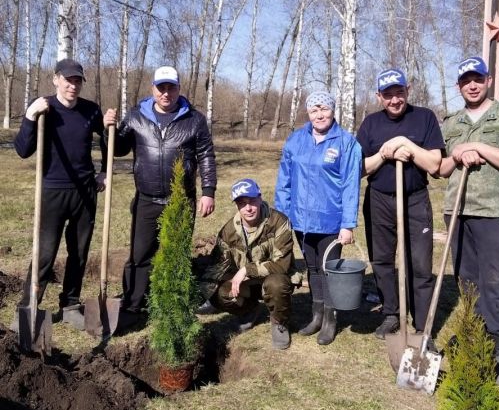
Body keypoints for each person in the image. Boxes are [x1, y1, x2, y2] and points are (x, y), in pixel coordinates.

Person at [436, 56, 499, 386]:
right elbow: (440, 170)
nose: (472, 85)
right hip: (458, 210)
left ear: (487, 80)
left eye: (477, 78)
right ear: (458, 86)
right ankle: (473, 334)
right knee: (466, 279)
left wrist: (479, 146)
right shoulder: (450, 123)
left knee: (494, 280)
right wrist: (457, 153)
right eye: (466, 80)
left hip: (493, 212)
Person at [103, 65, 216, 318]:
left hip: (181, 199)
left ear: (178, 89)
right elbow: (117, 148)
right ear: (152, 89)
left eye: (171, 87)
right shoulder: (136, 116)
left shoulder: (194, 120)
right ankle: (133, 305)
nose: (166, 93)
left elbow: (206, 155)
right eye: (161, 87)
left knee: (175, 253)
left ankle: (170, 306)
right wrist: (107, 129)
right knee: (139, 254)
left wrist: (208, 190)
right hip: (146, 199)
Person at [14, 59, 107, 318]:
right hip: (52, 190)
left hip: (85, 192)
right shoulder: (44, 107)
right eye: (68, 80)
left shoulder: (91, 110)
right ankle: (28, 306)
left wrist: (103, 172)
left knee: (79, 252)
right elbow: (23, 150)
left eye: (77, 81)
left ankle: (70, 304)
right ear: (55, 79)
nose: (72, 86)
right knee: (45, 253)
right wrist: (31, 116)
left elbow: (108, 137)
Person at [356, 68, 444, 338]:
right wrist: (383, 154)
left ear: (408, 90)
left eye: (399, 93)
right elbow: (358, 169)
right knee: (381, 261)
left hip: (415, 200)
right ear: (378, 96)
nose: (394, 100)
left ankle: (421, 324)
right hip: (380, 199)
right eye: (388, 95)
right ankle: (391, 313)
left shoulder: (424, 118)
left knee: (419, 263)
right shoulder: (371, 124)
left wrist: (407, 145)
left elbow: (434, 164)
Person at [274, 91, 362, 345]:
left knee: (328, 270)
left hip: (330, 220)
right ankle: (316, 315)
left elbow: (350, 186)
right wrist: (282, 216)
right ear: (308, 113)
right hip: (302, 220)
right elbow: (285, 182)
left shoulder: (346, 143)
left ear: (333, 111)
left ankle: (330, 320)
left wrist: (347, 224)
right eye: (314, 110)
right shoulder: (295, 141)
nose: (319, 115)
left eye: (324, 109)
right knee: (312, 268)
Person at [197, 178, 298, 350]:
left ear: (260, 198)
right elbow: (215, 268)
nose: (248, 208)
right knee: (220, 293)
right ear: (236, 205)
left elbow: (281, 265)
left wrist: (246, 270)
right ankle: (248, 311)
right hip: (247, 285)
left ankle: (279, 322)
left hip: (273, 278)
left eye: (252, 201)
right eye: (242, 203)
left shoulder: (279, 222)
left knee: (277, 284)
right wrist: (199, 298)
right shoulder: (228, 231)